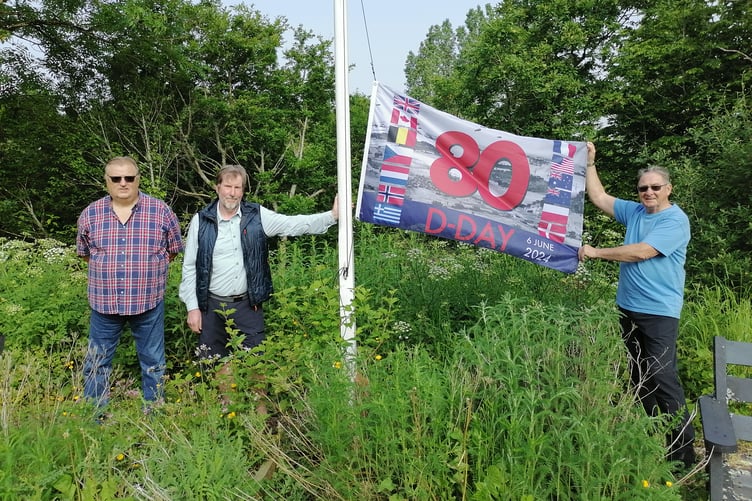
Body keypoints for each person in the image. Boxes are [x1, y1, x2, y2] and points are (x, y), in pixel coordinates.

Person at [577, 142, 695, 470]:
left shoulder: (675, 220)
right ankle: (653, 435)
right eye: (643, 188)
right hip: (627, 307)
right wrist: (589, 164)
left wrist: (597, 252)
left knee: (662, 376)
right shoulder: (635, 211)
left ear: (668, 189)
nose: (649, 192)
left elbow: (642, 251)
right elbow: (599, 198)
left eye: (656, 187)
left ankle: (683, 456)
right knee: (639, 375)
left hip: (659, 311)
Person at [179, 164, 338, 363]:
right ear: (217, 187)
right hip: (211, 308)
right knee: (217, 365)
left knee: (257, 366)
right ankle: (227, 396)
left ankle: (256, 396)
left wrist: (331, 216)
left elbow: (291, 224)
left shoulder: (257, 216)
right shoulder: (200, 221)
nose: (232, 193)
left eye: (238, 188)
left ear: (243, 191)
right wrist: (192, 308)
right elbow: (190, 267)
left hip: (247, 306)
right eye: (228, 186)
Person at [76, 156, 184, 410]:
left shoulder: (161, 211)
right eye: (116, 178)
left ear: (138, 179)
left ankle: (154, 413)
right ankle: (94, 415)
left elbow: (173, 251)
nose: (123, 183)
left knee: (153, 360)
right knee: (96, 362)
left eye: (129, 178)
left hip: (148, 302)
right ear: (107, 181)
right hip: (104, 304)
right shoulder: (90, 214)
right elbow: (86, 254)